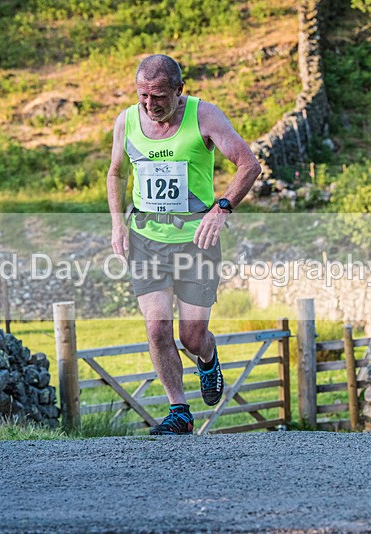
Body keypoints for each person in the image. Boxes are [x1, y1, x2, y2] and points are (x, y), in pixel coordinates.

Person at [106, 54, 261, 435]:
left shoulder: (204, 116)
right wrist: (117, 224)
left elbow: (249, 164)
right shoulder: (127, 120)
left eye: (158, 96)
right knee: (157, 329)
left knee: (191, 335)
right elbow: (115, 172)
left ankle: (207, 358)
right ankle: (180, 412)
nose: (149, 104)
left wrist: (221, 208)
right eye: (143, 95)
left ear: (180, 90)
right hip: (147, 240)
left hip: (196, 241)